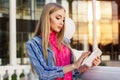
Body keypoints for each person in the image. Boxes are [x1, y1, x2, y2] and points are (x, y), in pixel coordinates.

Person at [26, 2, 101, 80]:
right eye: (58, 18)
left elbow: (71, 74)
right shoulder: (33, 44)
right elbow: (44, 74)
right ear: (47, 18)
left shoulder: (65, 41)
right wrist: (74, 65)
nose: (62, 23)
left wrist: (86, 66)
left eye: (63, 20)